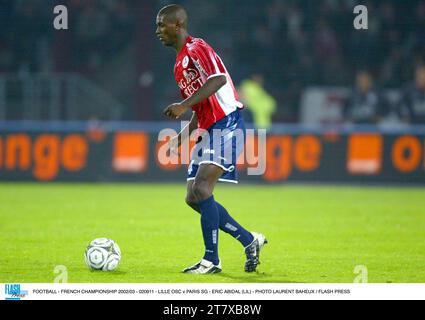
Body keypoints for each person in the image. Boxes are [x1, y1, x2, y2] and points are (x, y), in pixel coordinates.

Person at [156, 4, 267, 274]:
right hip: (209, 128)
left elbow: (216, 80)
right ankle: (249, 240)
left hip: (227, 123)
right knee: (193, 197)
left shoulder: (197, 48)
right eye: (157, 25)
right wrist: (181, 138)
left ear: (178, 25)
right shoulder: (179, 64)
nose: (157, 30)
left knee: (203, 187)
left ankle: (211, 260)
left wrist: (182, 104)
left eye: (162, 24)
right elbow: (200, 108)